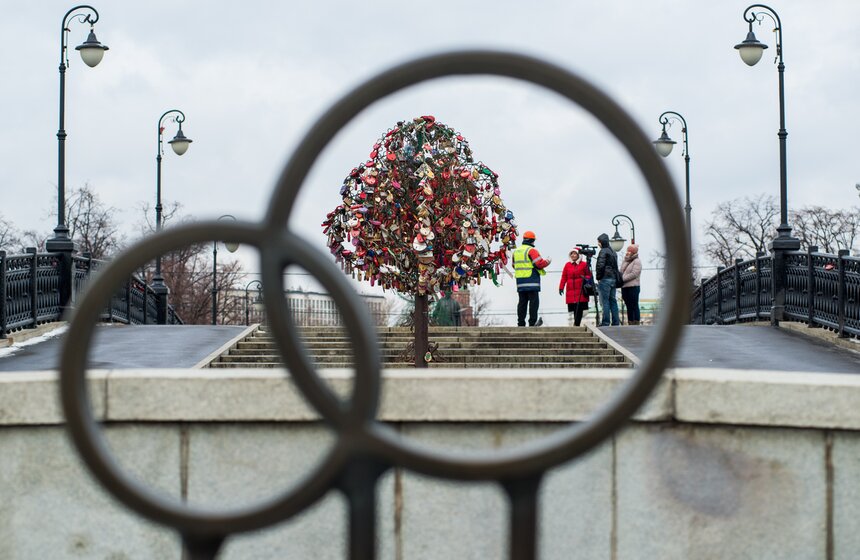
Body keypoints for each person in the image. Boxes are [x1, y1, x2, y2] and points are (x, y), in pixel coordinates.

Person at [513, 230, 552, 326]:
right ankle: (532, 322)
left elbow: (514, 265)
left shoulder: (516, 251)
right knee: (534, 302)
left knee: (522, 302)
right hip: (531, 280)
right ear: (532, 240)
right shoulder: (531, 250)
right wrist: (547, 261)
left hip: (520, 281)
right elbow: (539, 264)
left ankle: (521, 323)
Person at [558, 247, 591, 326]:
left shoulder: (584, 264)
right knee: (574, 308)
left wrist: (584, 278)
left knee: (579, 308)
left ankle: (576, 324)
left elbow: (589, 275)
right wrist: (561, 287)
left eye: (575, 253)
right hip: (571, 291)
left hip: (581, 290)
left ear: (579, 255)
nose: (573, 255)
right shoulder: (567, 265)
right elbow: (564, 277)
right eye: (571, 254)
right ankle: (576, 324)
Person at [595, 233, 621, 326]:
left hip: (605, 279)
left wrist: (598, 277)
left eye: (599, 242)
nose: (598, 244)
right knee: (613, 301)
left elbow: (600, 265)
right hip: (613, 279)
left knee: (605, 301)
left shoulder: (603, 251)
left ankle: (605, 322)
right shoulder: (613, 252)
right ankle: (616, 322)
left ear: (602, 242)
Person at [620, 243, 642, 325]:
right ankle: (630, 322)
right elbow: (621, 271)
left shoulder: (637, 261)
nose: (627, 252)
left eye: (629, 251)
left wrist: (622, 279)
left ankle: (636, 321)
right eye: (627, 250)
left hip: (633, 287)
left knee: (634, 304)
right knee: (628, 305)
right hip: (624, 287)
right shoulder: (625, 261)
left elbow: (634, 274)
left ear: (633, 252)